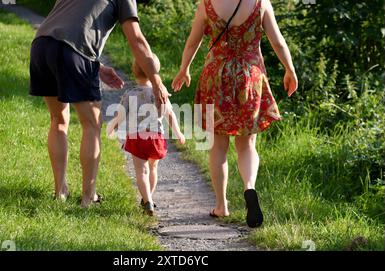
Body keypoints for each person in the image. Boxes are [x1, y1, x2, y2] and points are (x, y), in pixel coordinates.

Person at [29, 0, 170, 207]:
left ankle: (60, 192)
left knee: (58, 120)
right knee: (92, 124)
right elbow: (137, 40)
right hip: (72, 51)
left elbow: (68, 24)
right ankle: (88, 198)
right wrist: (156, 80)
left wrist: (96, 65)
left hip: (41, 45)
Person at [172, 0, 298, 227]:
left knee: (218, 146)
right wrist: (290, 69)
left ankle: (221, 206)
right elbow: (277, 42)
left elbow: (193, 43)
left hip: (215, 77)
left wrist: (184, 69)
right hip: (249, 77)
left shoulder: (207, 4)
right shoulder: (261, 4)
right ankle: (249, 187)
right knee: (247, 145)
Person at [107, 54, 185, 216]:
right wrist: (178, 133)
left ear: (134, 72)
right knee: (153, 168)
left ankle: (147, 200)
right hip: (155, 137)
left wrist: (113, 127)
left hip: (136, 138)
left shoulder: (130, 94)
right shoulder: (160, 92)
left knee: (141, 170)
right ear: (157, 72)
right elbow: (170, 115)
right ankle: (148, 199)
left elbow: (120, 115)